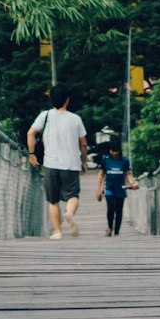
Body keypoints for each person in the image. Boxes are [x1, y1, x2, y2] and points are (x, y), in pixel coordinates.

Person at [27, 84, 88, 240]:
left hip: (51, 164)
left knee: (53, 200)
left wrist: (32, 154)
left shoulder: (45, 116)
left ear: (51, 100)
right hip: (71, 164)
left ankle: (58, 232)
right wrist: (84, 160)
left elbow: (31, 133)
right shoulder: (76, 119)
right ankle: (69, 212)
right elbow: (83, 143)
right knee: (72, 195)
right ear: (67, 100)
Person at [96, 136, 138, 236]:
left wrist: (132, 183)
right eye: (112, 151)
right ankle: (110, 228)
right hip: (109, 187)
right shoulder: (105, 160)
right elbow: (101, 174)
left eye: (116, 151)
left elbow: (127, 174)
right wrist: (98, 189)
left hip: (121, 188)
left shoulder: (124, 160)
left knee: (119, 210)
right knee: (111, 208)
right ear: (109, 150)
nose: (114, 153)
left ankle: (117, 232)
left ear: (119, 150)